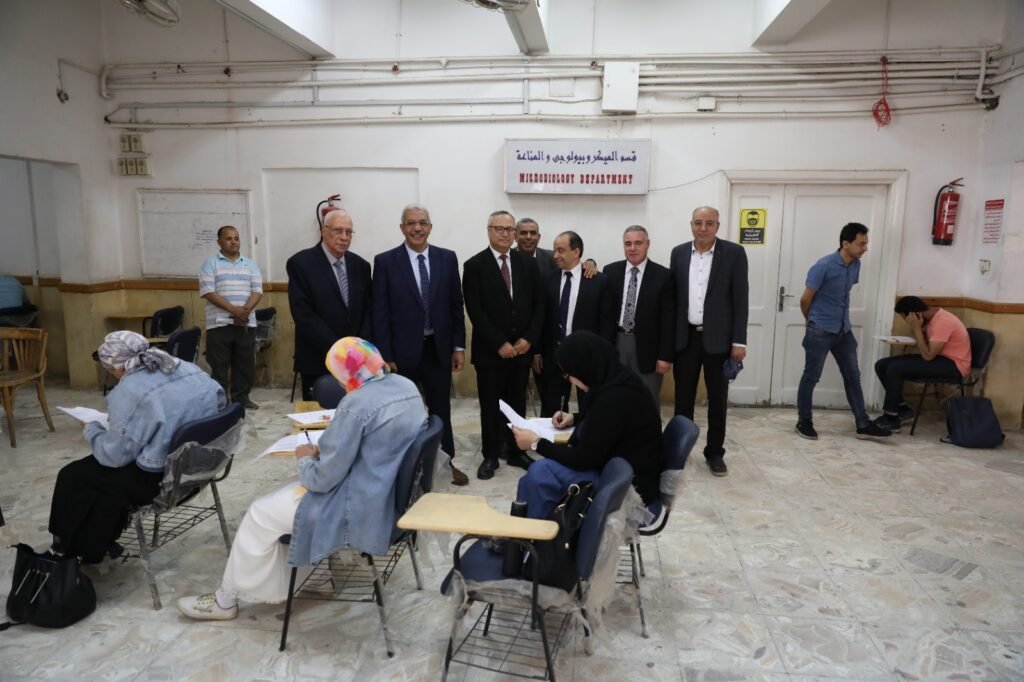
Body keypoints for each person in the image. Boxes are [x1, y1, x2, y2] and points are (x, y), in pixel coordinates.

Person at [177, 337, 427, 621]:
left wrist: (305, 458)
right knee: (284, 495)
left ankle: (225, 602)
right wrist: (331, 449)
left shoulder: (356, 404)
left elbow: (321, 480)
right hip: (389, 496)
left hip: (361, 505)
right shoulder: (406, 386)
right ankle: (316, 577)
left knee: (260, 512)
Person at [48, 331, 225, 563]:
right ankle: (93, 545)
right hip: (202, 466)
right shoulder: (186, 367)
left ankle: (65, 548)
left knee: (72, 475)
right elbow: (219, 403)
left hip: (162, 481)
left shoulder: (129, 391)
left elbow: (114, 457)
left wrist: (92, 429)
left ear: (115, 367)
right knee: (99, 482)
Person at [511, 331, 663, 519]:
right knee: (542, 474)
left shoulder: (614, 398)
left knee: (539, 474)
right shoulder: (617, 378)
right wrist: (575, 418)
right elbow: (610, 423)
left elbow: (582, 459)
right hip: (618, 471)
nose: (570, 379)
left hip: (627, 491)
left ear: (584, 367)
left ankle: (535, 531)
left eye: (569, 374)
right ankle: (538, 526)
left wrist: (536, 443)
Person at [373, 204, 469, 486]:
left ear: (430, 227)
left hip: (438, 350)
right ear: (402, 228)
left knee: (441, 410)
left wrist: (458, 346)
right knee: (403, 413)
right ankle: (404, 469)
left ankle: (445, 463)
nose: (417, 228)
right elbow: (380, 311)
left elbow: (456, 305)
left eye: (423, 222)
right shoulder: (386, 262)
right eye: (411, 223)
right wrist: (386, 354)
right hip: (401, 354)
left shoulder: (447, 258)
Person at [463, 210, 545, 480]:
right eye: (499, 228)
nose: (504, 234)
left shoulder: (527, 264)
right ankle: (490, 455)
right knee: (490, 405)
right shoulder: (474, 265)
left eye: (509, 229)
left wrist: (529, 339)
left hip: (521, 351)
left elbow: (539, 304)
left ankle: (515, 451)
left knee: (517, 403)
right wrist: (499, 343)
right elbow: (475, 310)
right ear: (489, 230)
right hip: (490, 353)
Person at [669, 206, 748, 477]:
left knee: (717, 400)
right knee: (683, 400)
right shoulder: (679, 253)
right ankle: (679, 451)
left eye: (709, 223)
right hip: (686, 338)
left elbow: (740, 299)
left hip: (720, 341)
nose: (703, 228)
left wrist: (739, 341)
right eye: (698, 223)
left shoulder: (734, 254)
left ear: (717, 226)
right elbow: (674, 298)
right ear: (691, 224)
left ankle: (715, 453)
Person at [795, 223, 892, 441]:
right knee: (811, 376)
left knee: (853, 376)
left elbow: (844, 295)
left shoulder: (856, 265)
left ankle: (863, 424)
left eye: (866, 243)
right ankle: (804, 421)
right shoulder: (824, 266)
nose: (865, 248)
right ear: (845, 244)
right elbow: (805, 299)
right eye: (861, 244)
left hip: (843, 330)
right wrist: (812, 321)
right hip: (820, 330)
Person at [286, 209, 372, 400]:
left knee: (356, 412)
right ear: (324, 231)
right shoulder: (301, 263)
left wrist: (358, 348)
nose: (344, 237)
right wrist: (339, 349)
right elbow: (303, 314)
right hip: (318, 358)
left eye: (348, 232)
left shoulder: (361, 266)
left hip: (356, 361)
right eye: (337, 230)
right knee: (320, 415)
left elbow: (368, 310)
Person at [535, 231, 610, 416]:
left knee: (590, 408)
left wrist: (602, 357)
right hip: (554, 357)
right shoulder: (548, 279)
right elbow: (541, 319)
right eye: (554, 250)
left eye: (561, 250)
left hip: (587, 358)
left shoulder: (599, 281)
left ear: (576, 252)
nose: (555, 255)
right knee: (552, 409)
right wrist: (537, 351)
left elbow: (605, 323)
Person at [873, 296, 972, 432]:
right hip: (940, 359)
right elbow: (929, 351)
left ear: (914, 314)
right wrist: (919, 329)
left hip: (955, 366)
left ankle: (891, 419)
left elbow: (928, 355)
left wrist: (917, 329)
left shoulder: (943, 322)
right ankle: (902, 409)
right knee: (882, 365)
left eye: (906, 319)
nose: (907, 322)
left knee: (896, 368)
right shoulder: (930, 319)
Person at [602, 225, 675, 405]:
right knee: (615, 398)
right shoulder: (610, 271)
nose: (632, 248)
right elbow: (605, 313)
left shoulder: (663, 275)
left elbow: (668, 320)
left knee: (647, 400)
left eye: (638, 243)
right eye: (628, 244)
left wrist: (665, 356)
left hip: (647, 348)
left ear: (647, 244)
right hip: (617, 342)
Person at [199, 225, 264, 410]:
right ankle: (220, 402)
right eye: (228, 238)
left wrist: (244, 311)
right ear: (219, 242)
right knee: (218, 366)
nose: (233, 242)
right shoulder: (210, 264)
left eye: (236, 238)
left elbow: (257, 291)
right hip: (219, 324)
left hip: (245, 323)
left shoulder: (250, 265)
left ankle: (241, 398)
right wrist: (234, 311)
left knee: (245, 365)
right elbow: (208, 292)